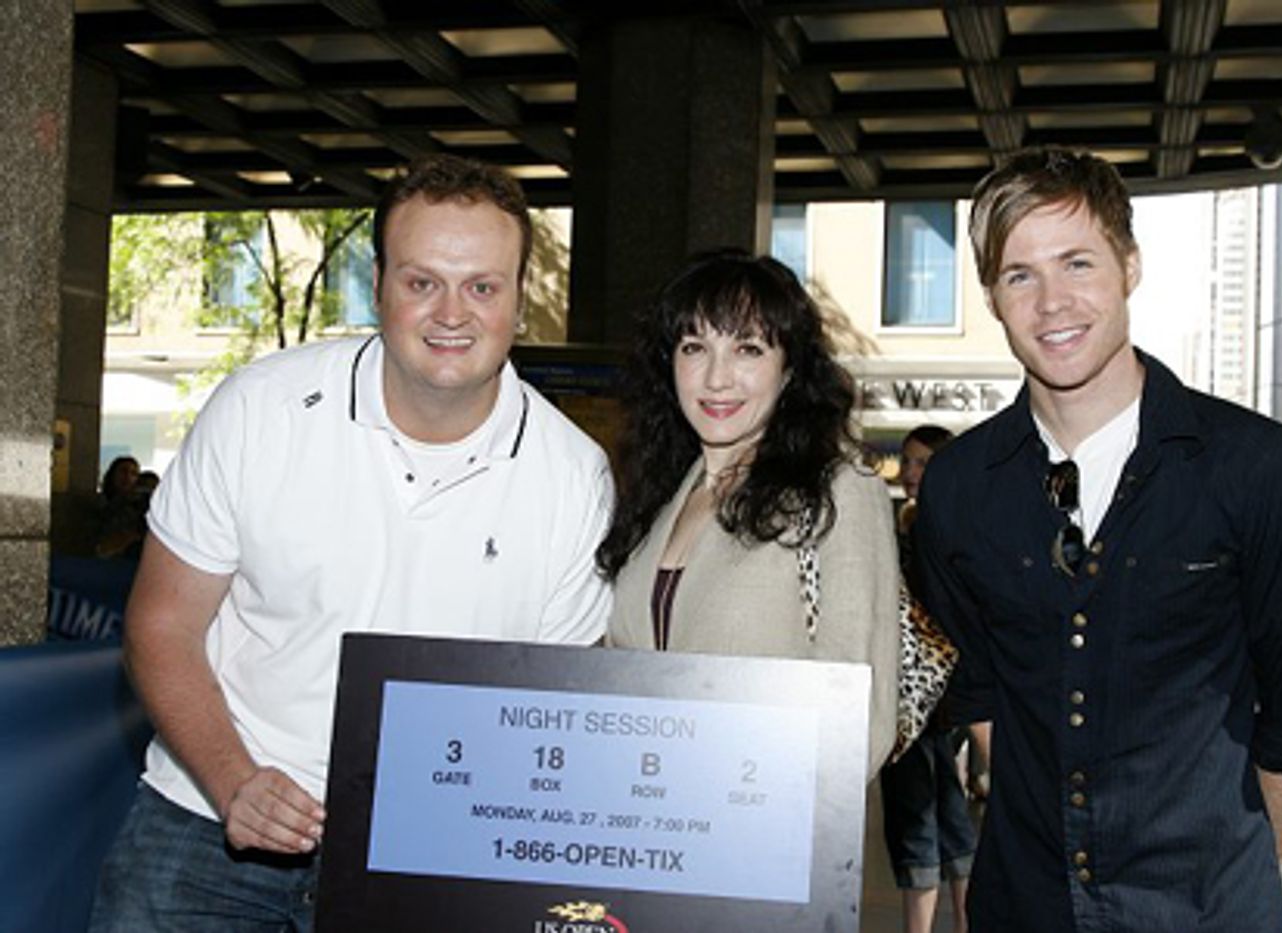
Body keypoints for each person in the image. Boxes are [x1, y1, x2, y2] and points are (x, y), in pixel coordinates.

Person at [90, 155, 614, 930]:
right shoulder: (259, 409)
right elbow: (161, 625)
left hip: (429, 850)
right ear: (378, 284)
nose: (451, 313)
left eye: (482, 286)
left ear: (518, 298)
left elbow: (554, 707)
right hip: (206, 819)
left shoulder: (573, 476)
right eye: (422, 281)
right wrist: (235, 783)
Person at [913, 148, 1282, 932]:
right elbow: (978, 696)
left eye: (1077, 262)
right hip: (1024, 909)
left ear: (1130, 265)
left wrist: (1219, 872)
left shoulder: (1260, 467)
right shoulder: (957, 487)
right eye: (1020, 275)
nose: (1052, 302)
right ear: (991, 297)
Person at [596, 249, 899, 777]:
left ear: (789, 371)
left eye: (748, 349)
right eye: (695, 348)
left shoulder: (839, 492)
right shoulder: (660, 497)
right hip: (649, 810)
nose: (717, 378)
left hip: (769, 812)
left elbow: (860, 720)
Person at [880, 425, 976, 933]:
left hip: (918, 693)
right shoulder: (951, 524)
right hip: (946, 694)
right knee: (949, 814)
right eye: (907, 461)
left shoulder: (924, 530)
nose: (910, 472)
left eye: (922, 462)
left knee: (915, 817)